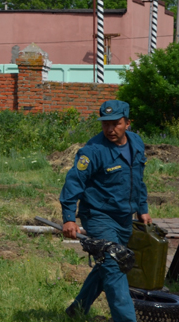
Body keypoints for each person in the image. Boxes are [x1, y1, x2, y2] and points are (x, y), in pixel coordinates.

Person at [59, 100, 151, 322]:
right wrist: (69, 218)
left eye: (116, 124)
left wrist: (142, 208)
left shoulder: (136, 143)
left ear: (128, 123)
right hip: (99, 216)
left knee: (105, 264)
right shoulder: (93, 151)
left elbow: (138, 179)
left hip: (123, 218)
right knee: (115, 266)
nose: (110, 129)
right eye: (105, 124)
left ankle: (76, 310)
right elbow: (73, 183)